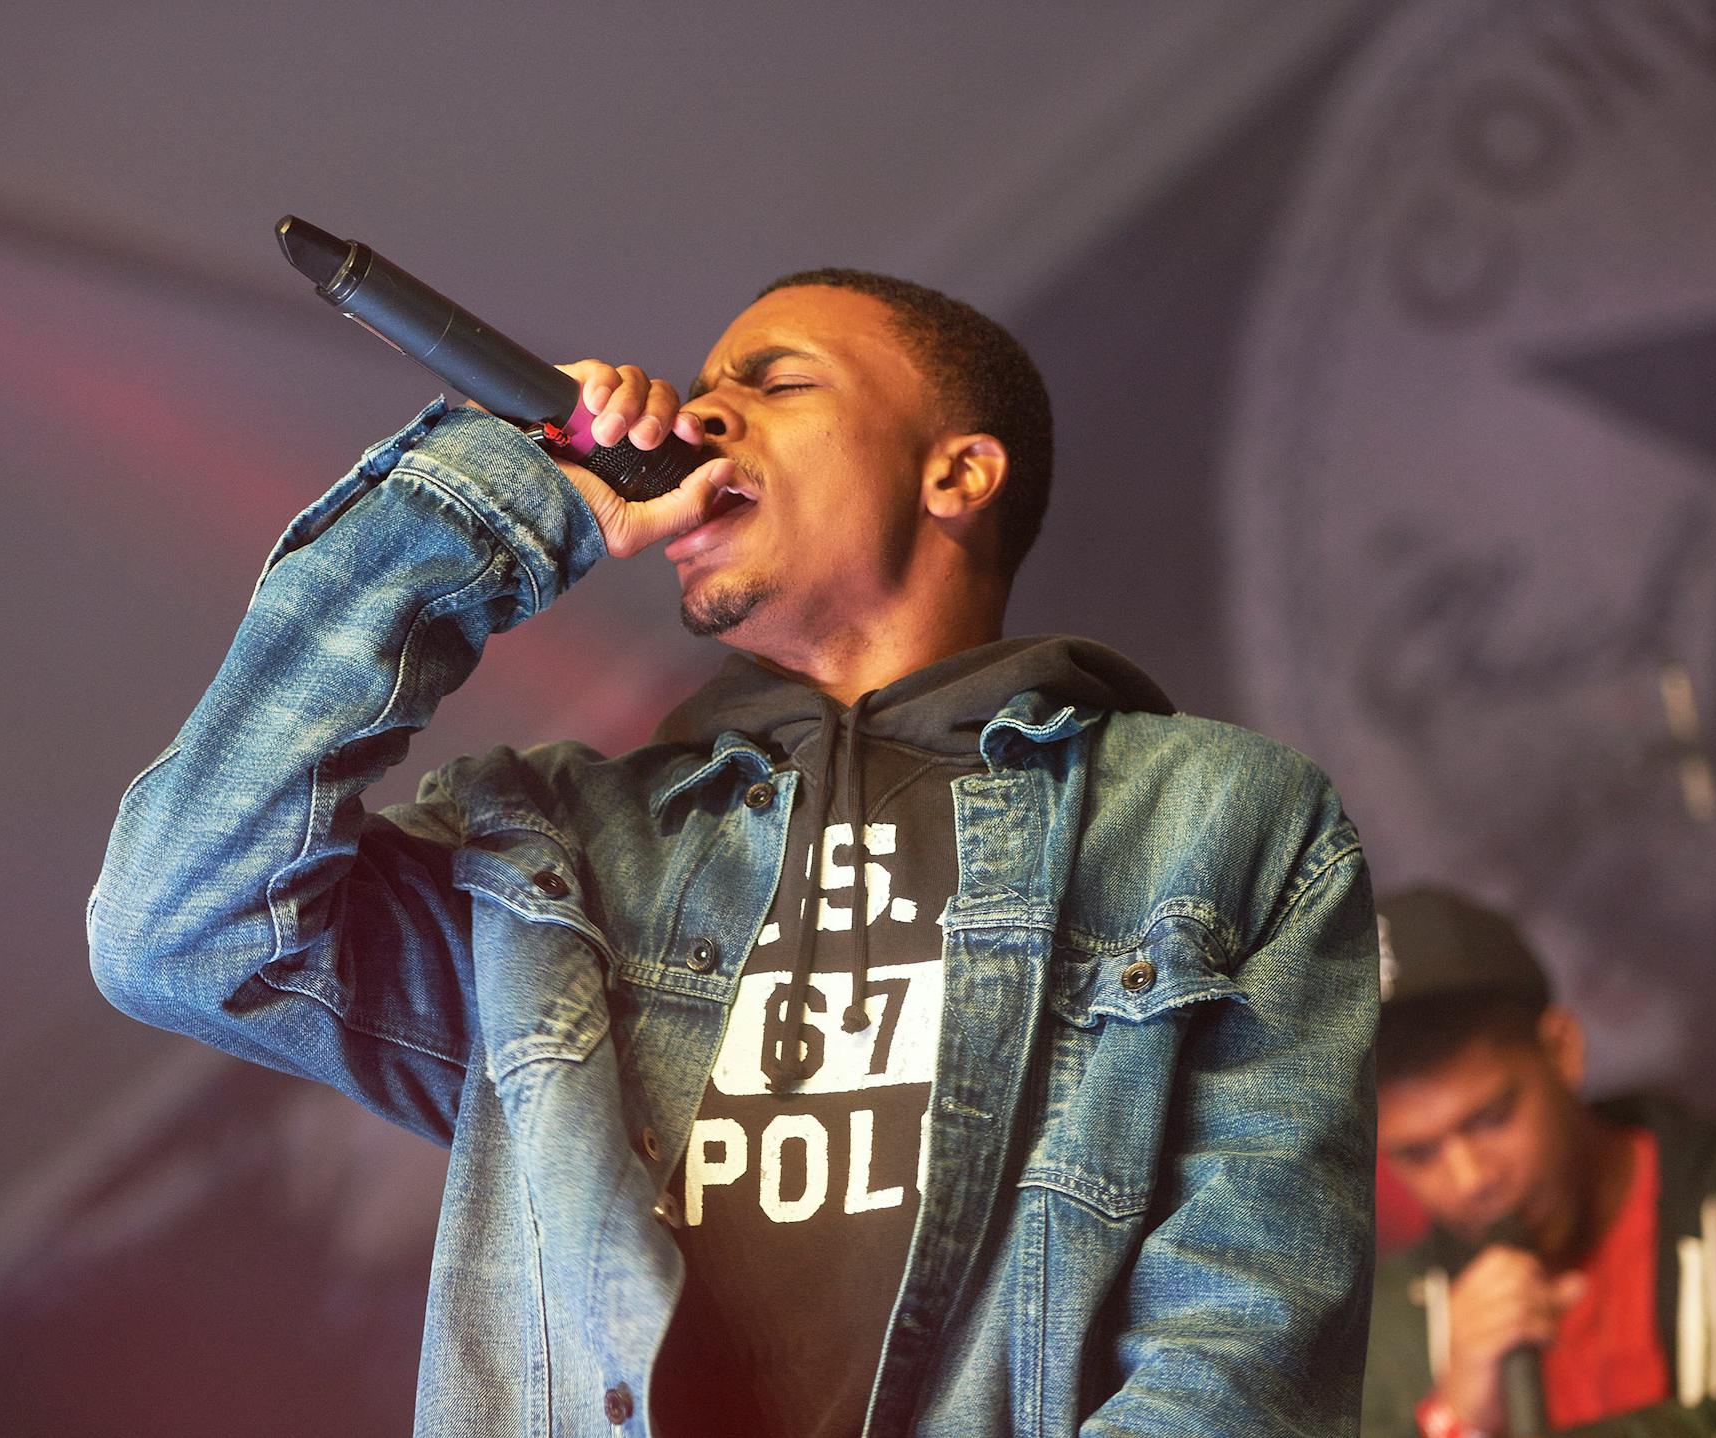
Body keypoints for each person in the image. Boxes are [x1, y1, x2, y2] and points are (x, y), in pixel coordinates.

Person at [88, 269, 1379, 1436]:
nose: (701, 417)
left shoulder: (1212, 816)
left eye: (775, 384)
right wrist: (498, 511)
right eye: (700, 392)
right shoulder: (562, 856)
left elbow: (1240, 1332)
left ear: (959, 474)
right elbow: (180, 928)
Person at [1362, 887, 1716, 1438]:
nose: (1470, 1179)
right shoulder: (1380, 1331)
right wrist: (1452, 1421)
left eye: (1491, 1118)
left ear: (1562, 1050)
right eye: (1419, 1153)